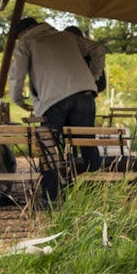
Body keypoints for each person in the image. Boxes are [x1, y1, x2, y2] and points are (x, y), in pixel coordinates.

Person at [8, 17, 103, 198]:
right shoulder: (67, 37)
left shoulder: (27, 42)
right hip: (85, 95)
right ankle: (96, 196)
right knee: (88, 145)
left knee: (48, 149)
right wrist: (93, 76)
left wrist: (19, 100)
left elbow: (16, 75)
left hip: (53, 100)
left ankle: (50, 198)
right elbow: (98, 48)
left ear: (22, 33)